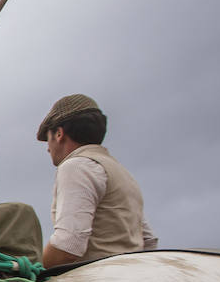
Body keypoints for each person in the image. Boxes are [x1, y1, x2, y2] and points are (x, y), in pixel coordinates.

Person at [37, 94, 157, 267]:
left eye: (47, 139)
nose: (48, 149)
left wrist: (32, 269)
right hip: (134, 273)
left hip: (93, 280)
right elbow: (148, 240)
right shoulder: (122, 172)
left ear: (59, 134)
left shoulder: (76, 166)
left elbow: (68, 245)